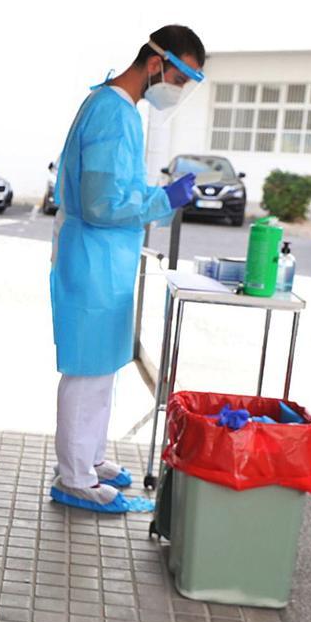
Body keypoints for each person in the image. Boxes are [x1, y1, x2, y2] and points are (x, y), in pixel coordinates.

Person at [49, 26, 206, 513]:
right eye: (181, 79)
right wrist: (164, 199)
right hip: (94, 257)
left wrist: (157, 198)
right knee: (87, 371)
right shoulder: (112, 112)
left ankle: (90, 460)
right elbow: (101, 203)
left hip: (104, 259)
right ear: (158, 63)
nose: (178, 91)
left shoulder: (118, 109)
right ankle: (73, 477)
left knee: (104, 367)